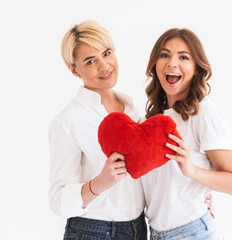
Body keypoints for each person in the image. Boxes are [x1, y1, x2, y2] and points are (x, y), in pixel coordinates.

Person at [48, 20, 147, 240]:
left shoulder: (134, 112)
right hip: (93, 232)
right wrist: (98, 184)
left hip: (140, 229)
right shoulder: (68, 121)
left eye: (107, 53)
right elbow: (57, 200)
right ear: (74, 69)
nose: (104, 66)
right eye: (90, 61)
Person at [141, 28, 232, 239]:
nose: (172, 63)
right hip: (156, 233)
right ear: (155, 64)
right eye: (165, 55)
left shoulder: (204, 113)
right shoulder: (149, 121)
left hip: (192, 233)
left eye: (183, 57)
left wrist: (192, 170)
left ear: (196, 69)